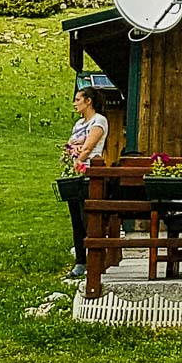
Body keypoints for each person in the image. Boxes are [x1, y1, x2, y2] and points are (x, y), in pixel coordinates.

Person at [64, 87, 108, 280]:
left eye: (77, 99)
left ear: (88, 101)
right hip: (75, 175)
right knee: (76, 219)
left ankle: (95, 259)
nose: (75, 104)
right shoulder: (78, 124)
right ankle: (80, 260)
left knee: (87, 217)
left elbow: (89, 145)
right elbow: (70, 144)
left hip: (90, 173)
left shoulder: (99, 121)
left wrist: (78, 160)